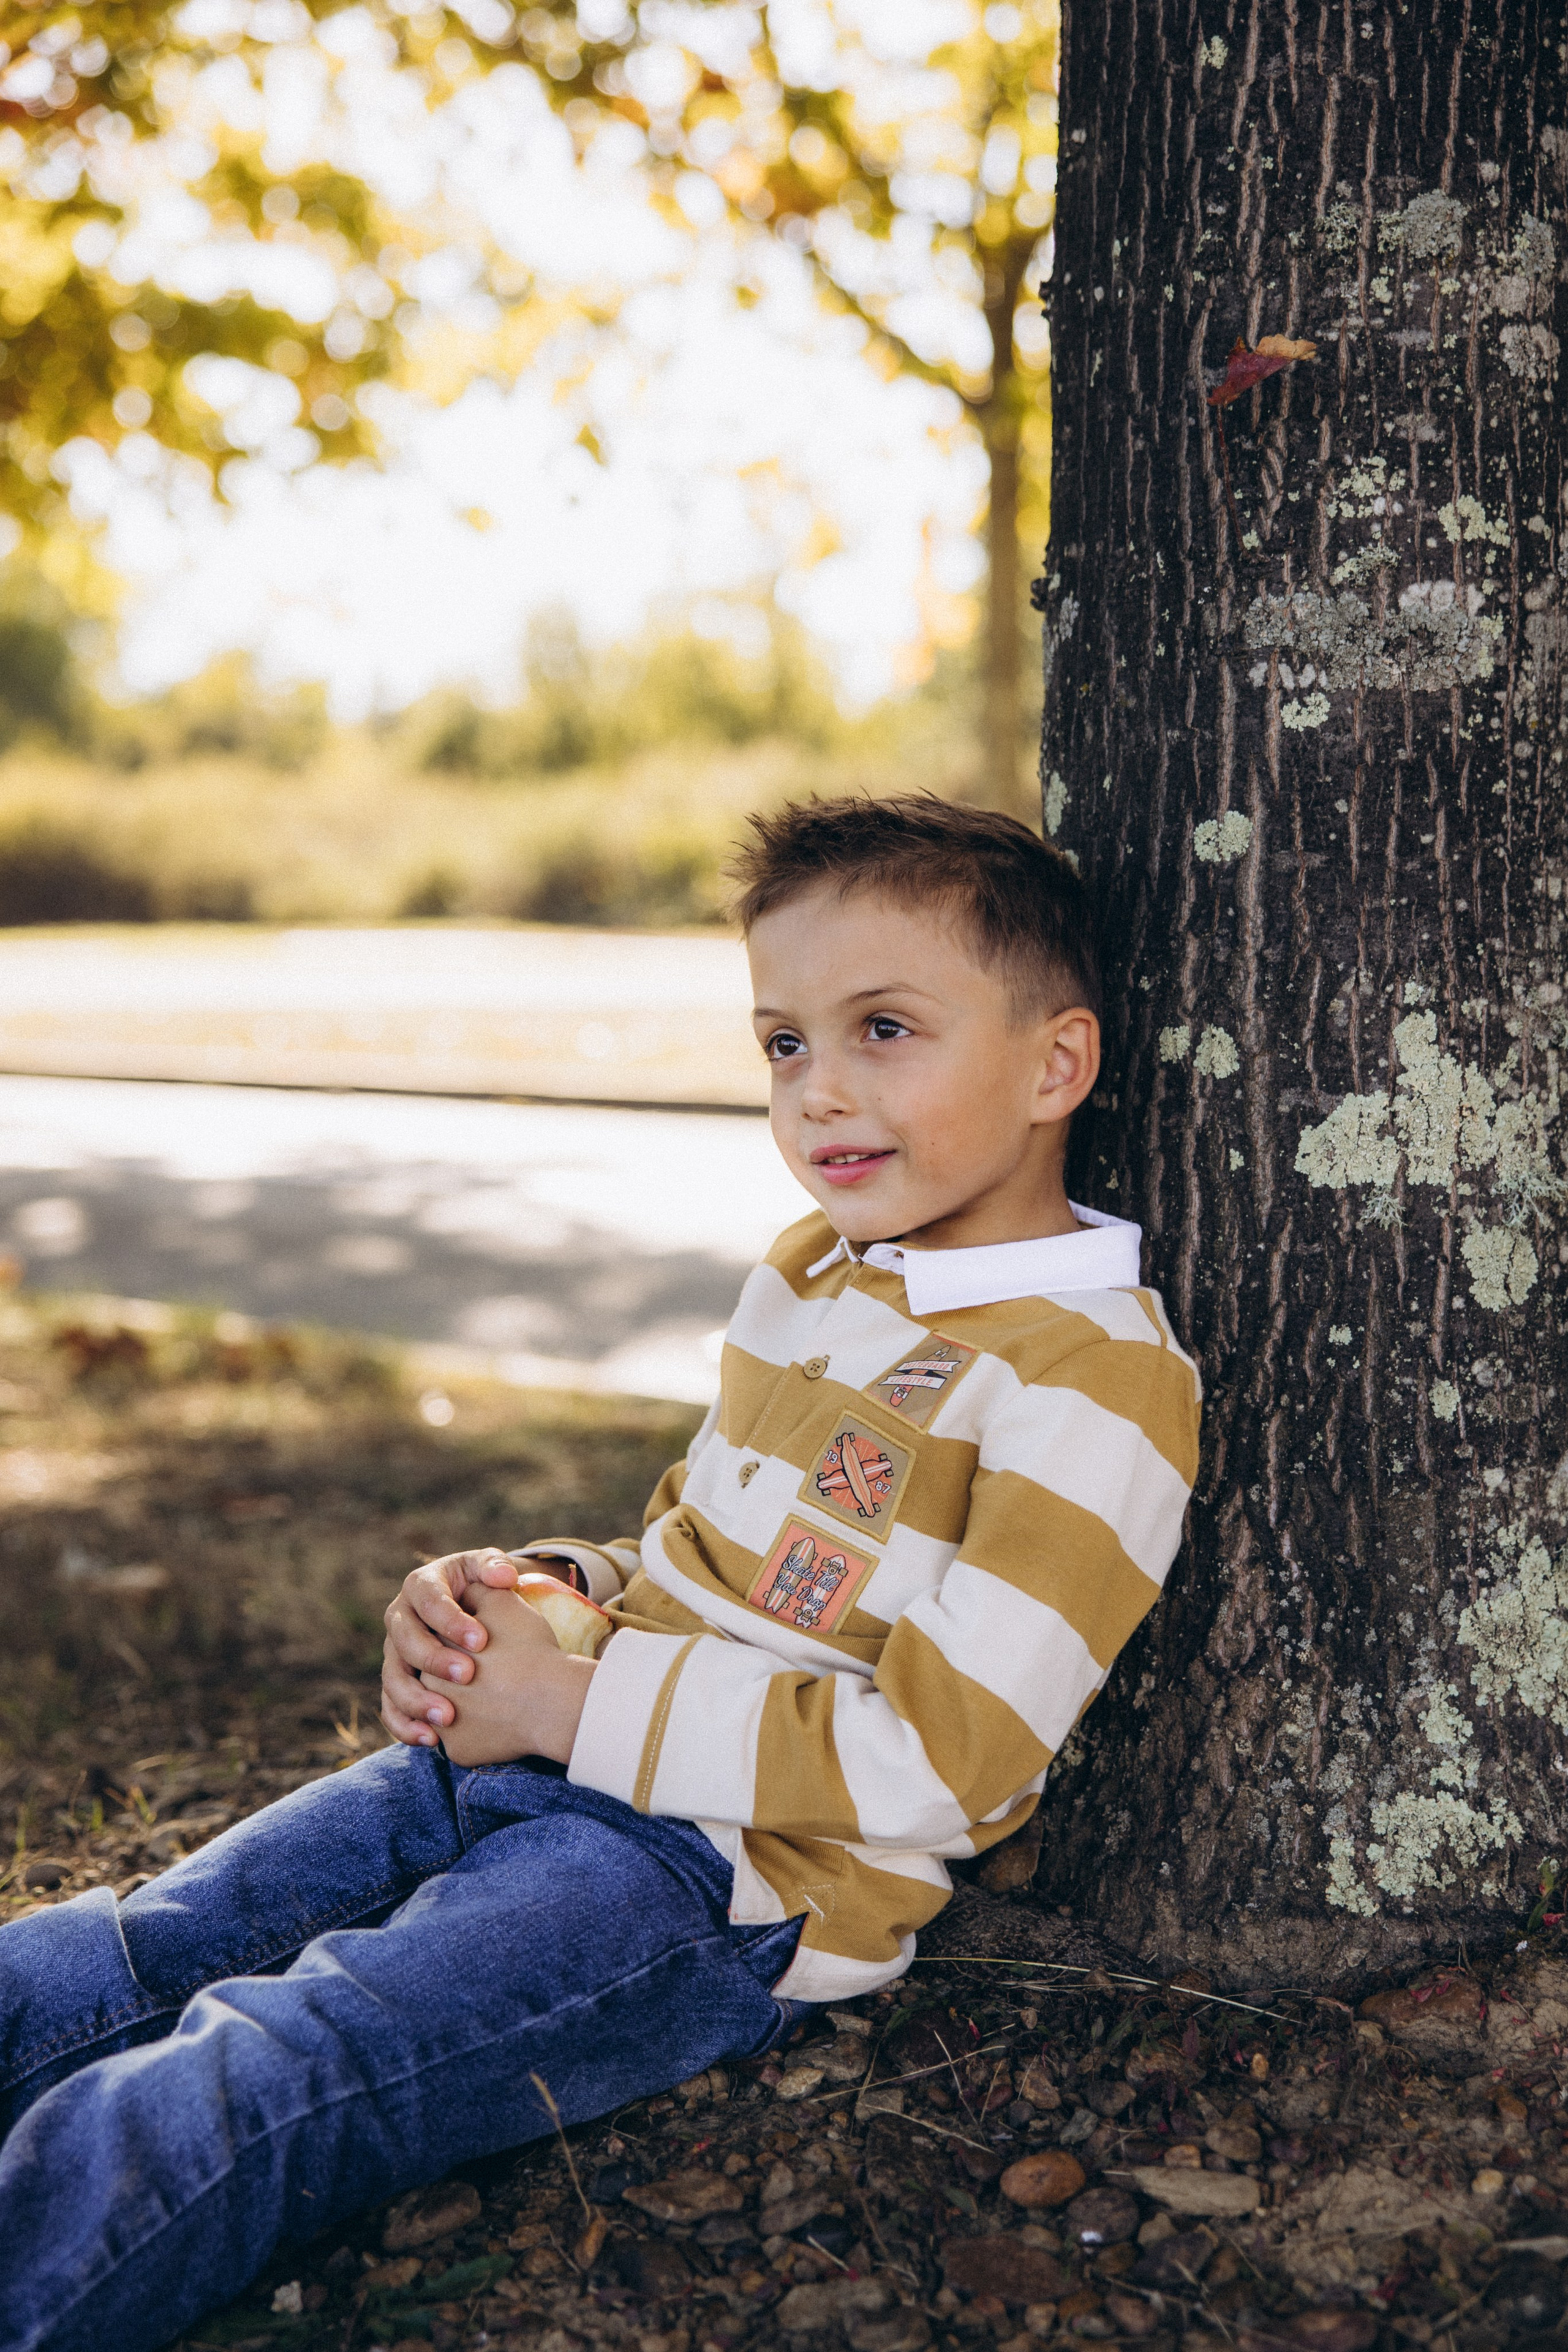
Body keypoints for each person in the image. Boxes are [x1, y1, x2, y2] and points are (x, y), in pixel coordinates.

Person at [0, 795, 1202, 2352]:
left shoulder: (1089, 1380)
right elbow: (691, 1553)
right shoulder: (809, 1273)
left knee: (281, 2055)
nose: (818, 1088)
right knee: (141, 1945)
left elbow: (946, 1767)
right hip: (546, 1745)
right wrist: (539, 1588)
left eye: (882, 1029)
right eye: (781, 1042)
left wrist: (571, 1704)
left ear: (1055, 1065)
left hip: (713, 1871)